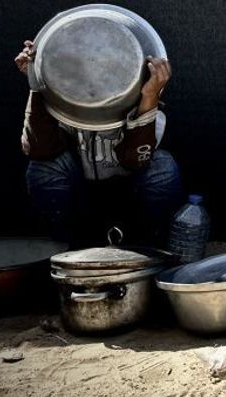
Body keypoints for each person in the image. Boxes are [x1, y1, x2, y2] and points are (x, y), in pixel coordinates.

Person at [15, 40, 182, 247]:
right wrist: (38, 80)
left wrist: (150, 96)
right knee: (44, 168)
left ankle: (149, 252)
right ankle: (64, 252)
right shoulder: (61, 100)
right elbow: (39, 150)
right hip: (78, 198)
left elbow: (136, 161)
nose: (96, 75)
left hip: (129, 200)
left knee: (163, 167)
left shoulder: (142, 100)